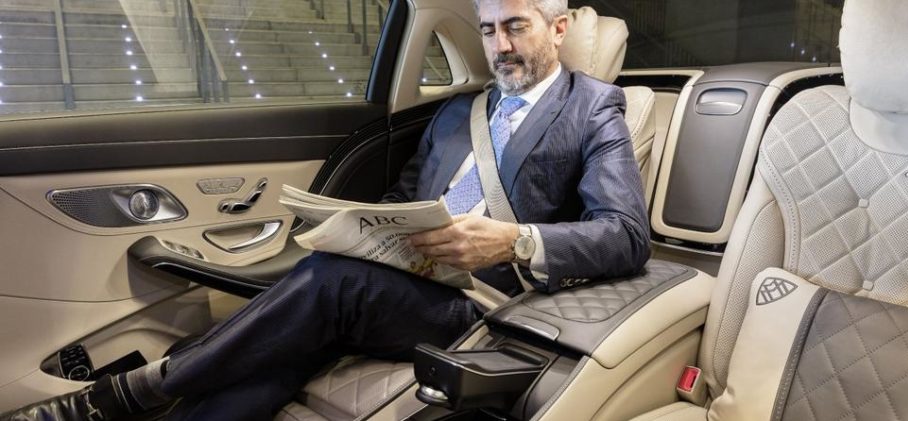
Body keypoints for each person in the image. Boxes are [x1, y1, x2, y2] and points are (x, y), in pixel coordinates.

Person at [3, 0, 649, 419]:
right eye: (488, 29)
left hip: (485, 301)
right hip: (410, 280)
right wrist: (365, 232)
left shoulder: (594, 108)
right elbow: (403, 202)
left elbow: (624, 234)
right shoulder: (459, 113)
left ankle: (130, 392)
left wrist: (514, 241)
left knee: (329, 285)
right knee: (283, 346)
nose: (499, 45)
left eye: (516, 26)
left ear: (558, 29)